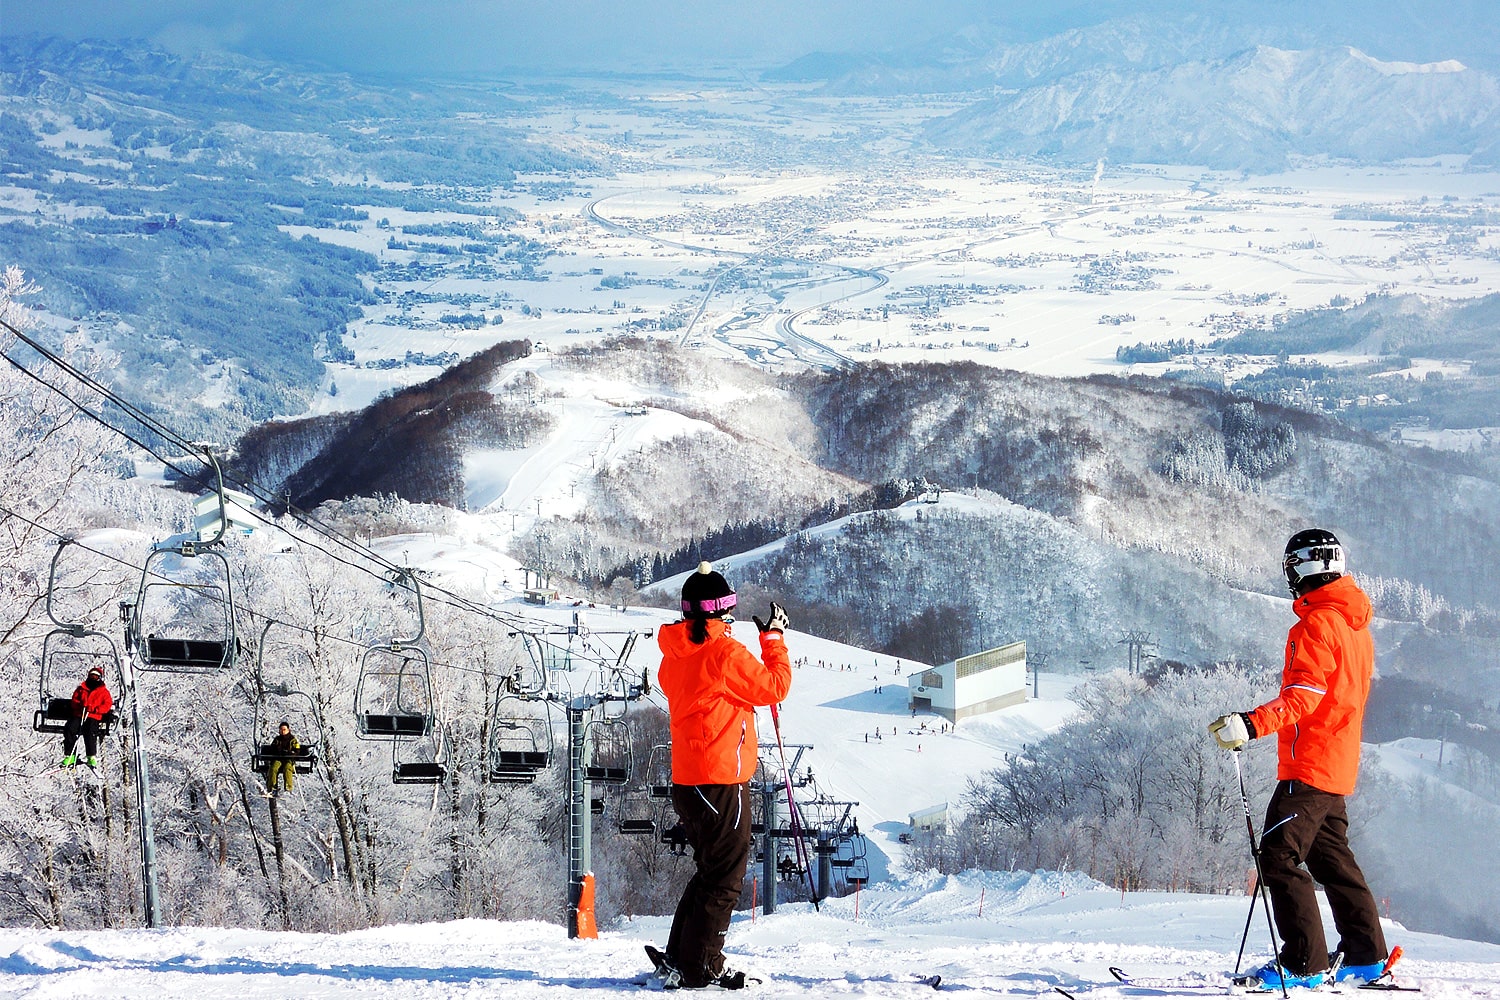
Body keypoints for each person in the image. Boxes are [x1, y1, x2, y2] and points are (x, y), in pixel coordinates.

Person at [1209, 529, 1389, 989]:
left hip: (1309, 765)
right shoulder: (1354, 626)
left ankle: (1303, 962)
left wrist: (1250, 724)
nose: (1288, 577)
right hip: (1337, 763)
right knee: (1332, 861)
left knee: (1278, 856)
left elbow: (1304, 696)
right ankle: (1366, 955)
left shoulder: (1315, 625)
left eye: (1291, 567)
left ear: (1309, 566)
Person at [651, 562, 792, 991]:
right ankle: (702, 965)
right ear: (720, 611)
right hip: (721, 780)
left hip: (689, 781)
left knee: (710, 870)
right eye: (727, 609)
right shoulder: (724, 654)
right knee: (726, 876)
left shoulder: (673, 657)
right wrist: (774, 639)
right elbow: (774, 687)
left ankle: (681, 956)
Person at [61, 664, 113, 769]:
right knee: (70, 728)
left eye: (95, 677)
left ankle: (91, 755)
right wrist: (80, 706)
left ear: (99, 678)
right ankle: (70, 755)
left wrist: (95, 709)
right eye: (91, 676)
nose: (93, 678)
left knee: (90, 731)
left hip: (93, 716)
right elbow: (74, 700)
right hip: (79, 714)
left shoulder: (103, 692)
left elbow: (107, 705)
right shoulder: (81, 689)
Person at [265, 720, 301, 795]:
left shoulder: (292, 740)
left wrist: (289, 753)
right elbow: (272, 748)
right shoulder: (277, 739)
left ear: (288, 730)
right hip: (278, 758)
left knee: (287, 768)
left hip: (288, 759)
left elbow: (297, 751)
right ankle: (272, 788)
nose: (282, 731)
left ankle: (288, 788)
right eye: (281, 729)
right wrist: (277, 750)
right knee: (273, 768)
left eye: (284, 729)